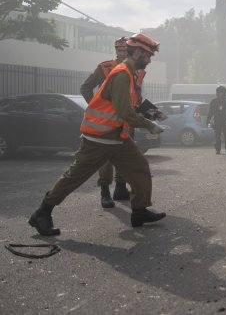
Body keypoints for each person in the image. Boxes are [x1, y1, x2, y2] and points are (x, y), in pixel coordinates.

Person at [28, 34, 167, 236]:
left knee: (139, 167)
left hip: (116, 136)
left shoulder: (130, 72)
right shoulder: (121, 74)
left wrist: (155, 115)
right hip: (99, 138)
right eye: (148, 55)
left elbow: (133, 102)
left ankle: (139, 211)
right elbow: (124, 111)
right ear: (137, 52)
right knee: (74, 177)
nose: (150, 60)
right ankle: (42, 213)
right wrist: (150, 125)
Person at [81, 36, 132, 207]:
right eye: (120, 50)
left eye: (125, 50)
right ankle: (105, 192)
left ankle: (120, 188)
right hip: (108, 119)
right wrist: (97, 107)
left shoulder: (134, 70)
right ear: (116, 50)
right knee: (106, 157)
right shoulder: (105, 67)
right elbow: (85, 87)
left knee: (124, 154)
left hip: (125, 118)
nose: (122, 53)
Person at [206, 86, 226, 155]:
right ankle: (218, 150)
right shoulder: (214, 101)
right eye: (219, 92)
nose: (220, 94)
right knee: (217, 137)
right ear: (217, 93)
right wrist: (208, 120)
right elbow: (211, 111)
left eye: (222, 92)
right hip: (217, 121)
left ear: (224, 93)